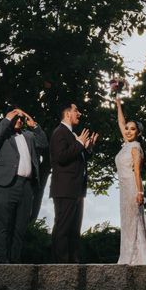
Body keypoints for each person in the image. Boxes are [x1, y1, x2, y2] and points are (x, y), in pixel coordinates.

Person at [0, 107, 48, 263]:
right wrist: (8, 118)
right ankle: (1, 261)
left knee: (20, 226)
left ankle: (15, 261)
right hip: (5, 184)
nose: (19, 120)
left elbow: (44, 144)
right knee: (3, 223)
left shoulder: (29, 136)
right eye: (16, 118)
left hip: (26, 186)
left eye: (21, 118)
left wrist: (34, 125)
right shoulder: (3, 135)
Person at [49, 102, 98, 263]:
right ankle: (61, 264)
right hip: (65, 189)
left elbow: (77, 159)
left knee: (74, 228)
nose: (80, 114)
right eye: (76, 110)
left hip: (77, 190)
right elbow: (61, 157)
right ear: (67, 114)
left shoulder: (72, 135)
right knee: (63, 227)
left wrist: (88, 149)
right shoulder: (59, 133)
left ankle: (73, 261)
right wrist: (79, 144)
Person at [114, 97, 146, 264]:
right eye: (127, 129)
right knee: (127, 222)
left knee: (134, 222)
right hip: (123, 190)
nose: (128, 131)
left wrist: (140, 192)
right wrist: (118, 105)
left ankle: (136, 258)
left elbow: (137, 172)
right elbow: (121, 122)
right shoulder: (126, 144)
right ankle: (128, 256)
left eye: (132, 129)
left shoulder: (135, 147)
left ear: (138, 133)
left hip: (132, 188)